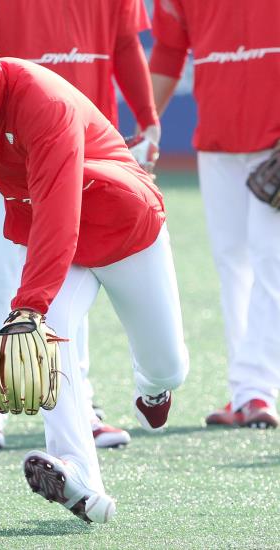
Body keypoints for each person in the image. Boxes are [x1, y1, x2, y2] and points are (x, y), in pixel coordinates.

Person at [0, 17, 188, 522]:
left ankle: (153, 386)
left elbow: (60, 209)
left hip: (123, 227)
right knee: (46, 342)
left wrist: (28, 305)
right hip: (51, 230)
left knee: (169, 365)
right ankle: (76, 475)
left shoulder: (43, 102)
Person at [0, 0, 161, 448]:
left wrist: (147, 118)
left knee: (73, 284)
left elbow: (124, 45)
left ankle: (81, 401)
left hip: (86, 149)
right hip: (9, 152)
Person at [149, 0, 280, 428]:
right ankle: (246, 392)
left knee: (271, 262)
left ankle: (256, 388)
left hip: (274, 138)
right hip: (218, 141)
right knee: (232, 265)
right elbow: (169, 50)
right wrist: (149, 123)